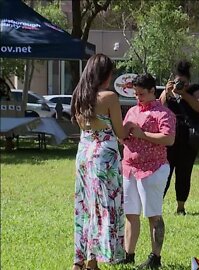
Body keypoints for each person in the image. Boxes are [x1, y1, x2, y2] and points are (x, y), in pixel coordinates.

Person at [71, 54, 127, 270]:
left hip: (84, 152)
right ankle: (94, 262)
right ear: (105, 74)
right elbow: (120, 131)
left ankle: (81, 261)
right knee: (104, 206)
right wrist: (130, 127)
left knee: (84, 206)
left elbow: (83, 126)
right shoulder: (109, 97)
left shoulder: (79, 96)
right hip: (104, 154)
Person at [117, 74, 176, 269]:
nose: (138, 97)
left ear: (153, 91)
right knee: (130, 213)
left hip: (153, 168)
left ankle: (155, 258)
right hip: (129, 168)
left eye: (141, 94)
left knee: (153, 215)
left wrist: (143, 134)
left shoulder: (163, 113)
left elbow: (168, 139)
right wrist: (123, 133)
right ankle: (128, 254)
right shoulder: (132, 111)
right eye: (135, 94)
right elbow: (123, 138)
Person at [159, 60, 199, 215]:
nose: (180, 84)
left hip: (188, 137)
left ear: (189, 81)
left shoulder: (195, 90)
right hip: (170, 135)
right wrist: (167, 92)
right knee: (164, 170)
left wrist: (184, 93)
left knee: (184, 172)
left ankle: (181, 207)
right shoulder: (170, 90)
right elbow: (159, 106)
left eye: (183, 82)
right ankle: (157, 204)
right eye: (177, 81)